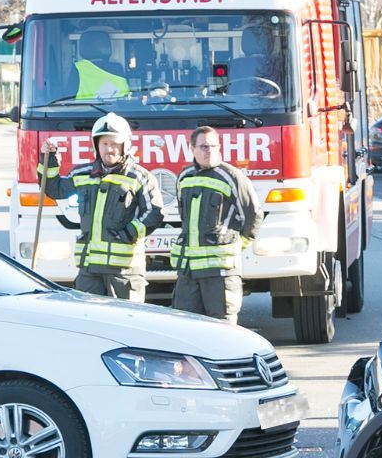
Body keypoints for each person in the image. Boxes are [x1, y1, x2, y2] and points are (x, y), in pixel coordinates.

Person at [40, 112, 162, 302]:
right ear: (96, 145)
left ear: (125, 146)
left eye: (114, 144)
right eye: (104, 144)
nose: (109, 149)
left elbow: (154, 213)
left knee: (126, 324)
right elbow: (53, 189)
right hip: (89, 271)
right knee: (88, 324)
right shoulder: (83, 174)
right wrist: (49, 159)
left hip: (124, 272)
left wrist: (130, 233)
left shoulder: (140, 177)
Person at [170, 125, 261, 323]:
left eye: (213, 146)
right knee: (186, 325)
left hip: (220, 273)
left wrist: (237, 244)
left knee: (223, 327)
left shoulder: (232, 177)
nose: (209, 150)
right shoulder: (184, 177)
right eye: (203, 146)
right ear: (192, 149)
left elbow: (253, 215)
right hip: (189, 271)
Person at [73, 29, 130, 101]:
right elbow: (125, 101)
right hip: (113, 112)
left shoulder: (78, 68)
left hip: (82, 112)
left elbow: (67, 100)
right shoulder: (117, 69)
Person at [227, 24, 281, 94]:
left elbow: (229, 90)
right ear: (271, 44)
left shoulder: (235, 65)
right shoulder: (278, 65)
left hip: (237, 104)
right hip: (275, 103)